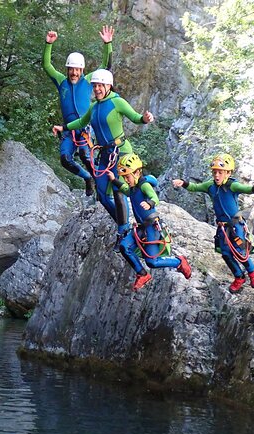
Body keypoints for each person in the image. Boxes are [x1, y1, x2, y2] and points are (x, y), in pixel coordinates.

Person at [52, 69, 154, 250]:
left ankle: (124, 232)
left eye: (100, 85)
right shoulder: (94, 107)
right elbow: (81, 122)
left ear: (108, 86)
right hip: (106, 155)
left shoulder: (117, 102)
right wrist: (63, 127)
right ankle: (127, 228)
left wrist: (145, 119)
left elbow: (135, 117)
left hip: (121, 153)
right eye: (95, 86)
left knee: (117, 190)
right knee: (102, 194)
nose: (97, 89)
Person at [172, 153, 254, 293]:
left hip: (236, 225)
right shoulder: (210, 186)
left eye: (220, 172)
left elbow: (244, 188)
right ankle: (239, 276)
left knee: (241, 251)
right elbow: (194, 187)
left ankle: (253, 272)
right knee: (226, 253)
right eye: (215, 172)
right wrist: (183, 183)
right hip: (223, 228)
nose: (217, 175)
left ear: (228, 173)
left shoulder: (232, 185)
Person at [43, 26, 114, 196]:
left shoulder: (88, 80)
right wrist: (48, 44)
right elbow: (46, 65)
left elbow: (105, 66)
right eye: (71, 69)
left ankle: (101, 187)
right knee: (65, 159)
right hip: (68, 130)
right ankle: (87, 178)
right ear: (67, 69)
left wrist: (108, 44)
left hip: (84, 130)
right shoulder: (61, 81)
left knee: (86, 156)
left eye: (77, 70)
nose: (74, 73)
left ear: (82, 70)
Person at [107, 154, 192, 291]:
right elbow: (126, 191)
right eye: (125, 177)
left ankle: (178, 261)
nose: (126, 180)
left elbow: (154, 197)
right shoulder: (133, 188)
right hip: (141, 228)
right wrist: (114, 180)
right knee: (124, 246)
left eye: (128, 176)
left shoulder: (144, 185)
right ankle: (142, 274)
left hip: (152, 227)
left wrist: (149, 203)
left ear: (137, 172)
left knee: (152, 262)